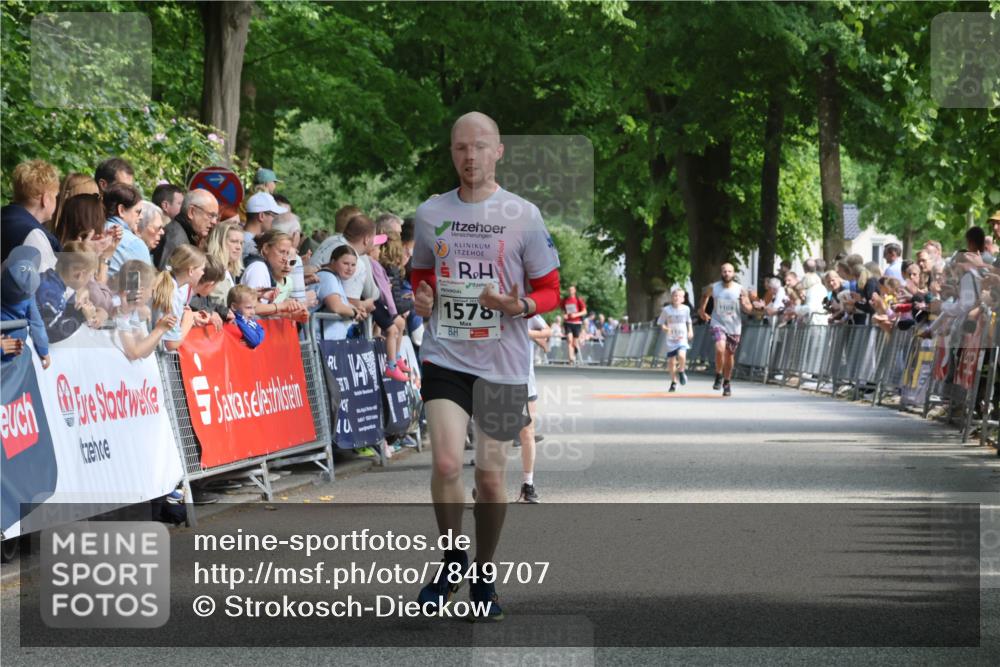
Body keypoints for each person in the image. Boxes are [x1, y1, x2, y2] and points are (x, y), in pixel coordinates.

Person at [411, 111, 561, 621]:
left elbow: (550, 289)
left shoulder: (524, 215)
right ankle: (453, 558)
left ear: (498, 151)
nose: (469, 157)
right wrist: (423, 296)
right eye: (459, 148)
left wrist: (519, 306)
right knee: (449, 465)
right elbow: (422, 273)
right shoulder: (431, 212)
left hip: (503, 362)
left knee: (492, 481)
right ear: (450, 152)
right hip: (447, 355)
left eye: (479, 147)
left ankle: (484, 573)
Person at [698, 263, 753, 397]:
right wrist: (702, 310)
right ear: (721, 273)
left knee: (729, 355)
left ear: (733, 274)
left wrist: (744, 305)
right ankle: (718, 374)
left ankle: (727, 382)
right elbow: (705, 296)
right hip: (718, 323)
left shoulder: (740, 289)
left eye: (729, 271)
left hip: (734, 326)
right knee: (720, 348)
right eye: (724, 271)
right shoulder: (714, 287)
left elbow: (749, 309)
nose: (726, 273)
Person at [36, 241, 106, 342]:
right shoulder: (51, 293)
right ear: (80, 275)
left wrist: (77, 307)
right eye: (90, 276)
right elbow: (50, 335)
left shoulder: (51, 281)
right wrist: (80, 316)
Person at [516, 314, 552, 504]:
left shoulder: (527, 311)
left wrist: (528, 333)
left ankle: (528, 484)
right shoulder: (490, 308)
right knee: (493, 435)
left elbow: (547, 330)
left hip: (524, 382)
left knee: (527, 432)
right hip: (493, 380)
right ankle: (485, 486)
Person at [112, 260, 177, 360]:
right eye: (151, 290)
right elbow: (134, 353)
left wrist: (161, 329)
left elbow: (144, 351)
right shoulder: (118, 307)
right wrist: (159, 330)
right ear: (141, 291)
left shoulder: (132, 312)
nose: (151, 295)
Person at [2, 159, 61, 265]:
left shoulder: (4, 218)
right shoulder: (34, 237)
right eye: (55, 196)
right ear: (46, 199)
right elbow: (48, 279)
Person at [240, 230, 307, 320]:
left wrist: (289, 315)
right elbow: (250, 307)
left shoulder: (266, 269)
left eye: (287, 253)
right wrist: (282, 306)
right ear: (266, 248)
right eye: (282, 252)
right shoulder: (258, 268)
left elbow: (262, 312)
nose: (285, 258)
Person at [151, 244, 206, 352]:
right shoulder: (173, 293)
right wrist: (187, 322)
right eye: (202, 269)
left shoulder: (173, 285)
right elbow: (171, 344)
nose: (203, 273)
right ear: (191, 271)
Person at [1, 246, 50, 367]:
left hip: (10, 344)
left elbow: (37, 323)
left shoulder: (29, 298)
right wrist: (44, 350)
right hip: (11, 342)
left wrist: (44, 349)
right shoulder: (29, 297)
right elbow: (37, 323)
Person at [154, 189, 219, 269]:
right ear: (191, 212)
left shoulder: (184, 233)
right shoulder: (176, 239)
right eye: (211, 215)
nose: (214, 222)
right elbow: (166, 278)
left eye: (216, 217)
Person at [315, 245, 367, 340]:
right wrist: (355, 313)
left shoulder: (335, 277)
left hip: (328, 342)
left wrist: (356, 309)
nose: (350, 268)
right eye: (345, 263)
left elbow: (341, 304)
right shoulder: (327, 277)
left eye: (353, 265)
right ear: (333, 261)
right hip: (319, 342)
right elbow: (336, 307)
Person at [104, 182, 152, 274]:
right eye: (138, 211)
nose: (141, 217)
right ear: (121, 210)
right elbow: (144, 284)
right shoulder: (134, 243)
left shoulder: (91, 230)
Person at [657, 288, 693, 392]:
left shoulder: (686, 309)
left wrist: (690, 331)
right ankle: (674, 382)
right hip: (671, 338)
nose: (677, 298)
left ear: (683, 299)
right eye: (675, 296)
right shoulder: (666, 310)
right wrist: (665, 328)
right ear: (672, 298)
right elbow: (661, 323)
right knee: (671, 362)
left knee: (682, 355)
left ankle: (681, 370)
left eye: (679, 296)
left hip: (682, 337)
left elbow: (688, 321)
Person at [206, 221, 244, 306]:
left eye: (241, 243)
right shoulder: (211, 269)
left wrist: (253, 295)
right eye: (234, 241)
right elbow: (220, 304)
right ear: (219, 242)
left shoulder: (228, 270)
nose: (239, 247)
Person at [242, 191, 287, 259]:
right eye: (274, 216)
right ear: (261, 216)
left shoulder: (239, 238)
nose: (275, 220)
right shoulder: (250, 246)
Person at [561, 285, 587, 364]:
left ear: (575, 291)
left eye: (572, 289)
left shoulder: (578, 300)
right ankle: (570, 359)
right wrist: (564, 315)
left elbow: (584, 311)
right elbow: (563, 311)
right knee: (569, 340)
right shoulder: (565, 300)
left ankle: (575, 354)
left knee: (575, 343)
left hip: (577, 323)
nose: (570, 291)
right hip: (568, 323)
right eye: (569, 290)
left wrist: (576, 315)